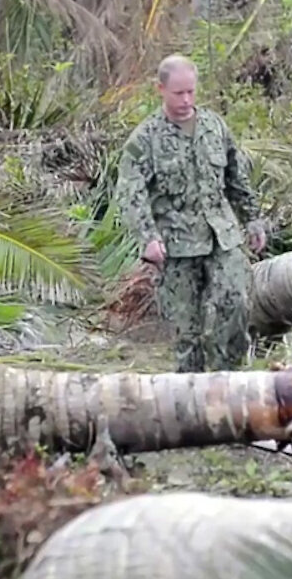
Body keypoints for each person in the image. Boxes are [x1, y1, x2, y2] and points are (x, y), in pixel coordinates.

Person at [114, 54, 267, 372]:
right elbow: (131, 192)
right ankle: (192, 397)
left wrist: (252, 219)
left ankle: (228, 377)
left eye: (191, 92)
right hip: (177, 247)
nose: (186, 100)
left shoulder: (214, 126)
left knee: (236, 302)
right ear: (161, 89)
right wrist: (148, 238)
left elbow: (236, 178)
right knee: (187, 333)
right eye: (178, 93)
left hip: (221, 236)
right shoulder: (146, 140)